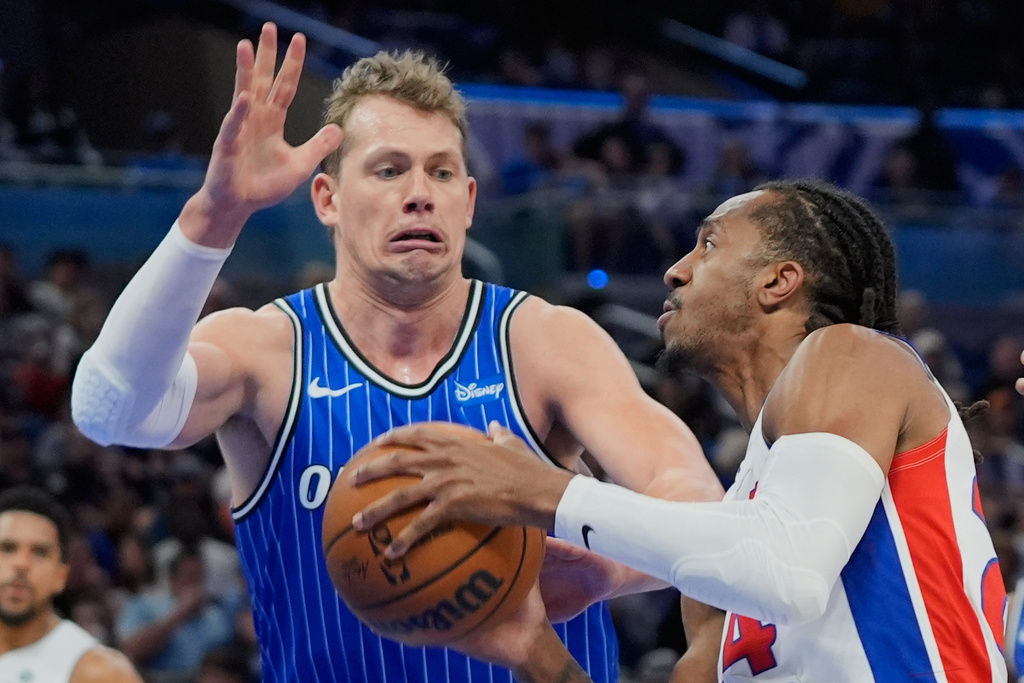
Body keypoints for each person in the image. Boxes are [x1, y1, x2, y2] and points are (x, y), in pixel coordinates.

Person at [69, 22, 723, 683]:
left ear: (468, 203)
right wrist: (212, 219)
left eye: (442, 171)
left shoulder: (543, 340)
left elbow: (697, 499)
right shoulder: (267, 350)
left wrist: (608, 567)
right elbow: (109, 410)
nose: (419, 193)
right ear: (327, 199)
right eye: (388, 170)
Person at [358, 180, 1009, 681]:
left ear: (779, 281)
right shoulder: (724, 557)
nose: (675, 269)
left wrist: (550, 495)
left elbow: (788, 571)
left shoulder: (856, 355)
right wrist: (532, 648)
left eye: (710, 244)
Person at [0, 485, 142, 682]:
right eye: (7, 548)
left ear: (61, 576)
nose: (22, 564)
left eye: (40, 552)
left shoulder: (101, 672)